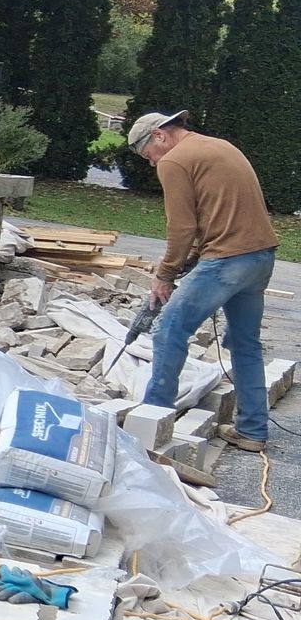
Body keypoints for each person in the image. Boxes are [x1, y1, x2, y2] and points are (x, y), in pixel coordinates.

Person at [127, 110, 279, 451]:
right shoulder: (217, 146)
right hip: (260, 257)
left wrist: (165, 275)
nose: (151, 163)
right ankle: (252, 431)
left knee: (168, 329)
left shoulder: (174, 160)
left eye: (148, 155)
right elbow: (218, 213)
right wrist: (193, 256)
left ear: (159, 135)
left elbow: (182, 226)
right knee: (245, 344)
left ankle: (151, 424)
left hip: (227, 260)